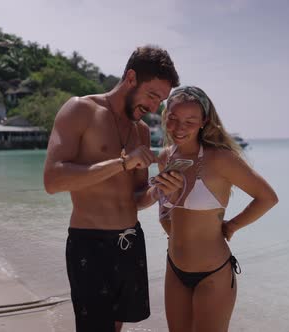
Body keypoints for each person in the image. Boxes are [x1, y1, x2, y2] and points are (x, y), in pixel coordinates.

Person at [43, 45, 183, 332]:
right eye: (152, 95)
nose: (155, 107)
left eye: (161, 101)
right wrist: (120, 163)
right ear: (131, 78)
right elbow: (53, 181)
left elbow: (136, 198)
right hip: (90, 243)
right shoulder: (80, 110)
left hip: (130, 240)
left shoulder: (141, 130)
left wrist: (160, 188)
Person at [156, 86, 279, 332]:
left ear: (204, 121)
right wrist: (168, 209)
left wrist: (231, 225)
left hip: (213, 273)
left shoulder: (220, 159)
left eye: (190, 120)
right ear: (165, 117)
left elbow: (267, 197)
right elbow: (165, 214)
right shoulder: (166, 157)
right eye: (173, 119)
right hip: (175, 269)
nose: (180, 127)